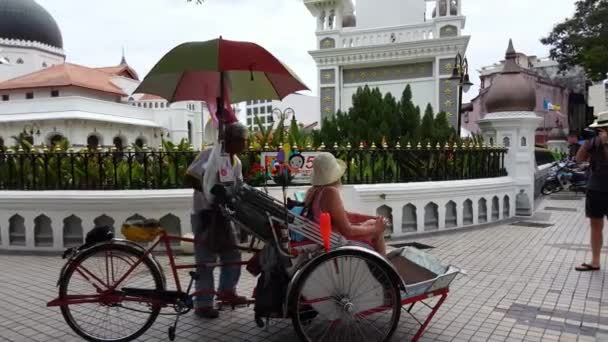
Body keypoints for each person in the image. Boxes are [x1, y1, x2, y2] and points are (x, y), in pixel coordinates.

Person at [185, 122, 249, 318]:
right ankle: (203, 303)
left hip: (224, 215)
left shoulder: (236, 162)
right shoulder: (209, 155)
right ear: (230, 140)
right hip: (205, 214)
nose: (245, 144)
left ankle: (226, 292)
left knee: (232, 255)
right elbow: (189, 177)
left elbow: (236, 188)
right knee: (206, 260)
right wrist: (209, 191)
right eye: (242, 140)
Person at [304, 152, 387, 255]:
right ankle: (383, 268)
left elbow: (345, 215)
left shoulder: (312, 192)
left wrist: (374, 219)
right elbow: (348, 230)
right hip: (336, 241)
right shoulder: (330, 192)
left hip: (326, 238)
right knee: (376, 231)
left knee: (372, 223)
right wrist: (375, 229)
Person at [575, 111, 608, 271]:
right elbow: (579, 158)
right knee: (596, 226)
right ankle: (595, 261)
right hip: (596, 189)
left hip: (597, 189)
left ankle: (595, 261)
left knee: (596, 226)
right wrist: (589, 144)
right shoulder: (593, 143)